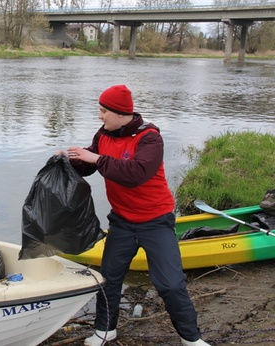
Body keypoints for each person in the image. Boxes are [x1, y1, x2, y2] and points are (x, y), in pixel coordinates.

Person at [60, 85, 210, 346]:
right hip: (122, 222)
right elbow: (88, 165)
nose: (100, 116)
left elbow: (136, 174)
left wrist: (96, 159)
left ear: (120, 113)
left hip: (156, 221)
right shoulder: (103, 135)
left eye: (104, 111)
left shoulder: (150, 139)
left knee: (171, 285)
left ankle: (192, 339)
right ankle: (105, 330)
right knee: (109, 279)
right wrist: (69, 159)